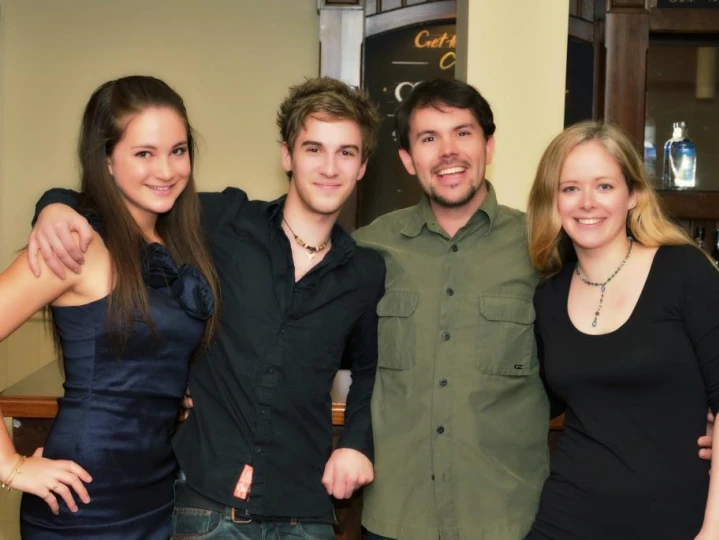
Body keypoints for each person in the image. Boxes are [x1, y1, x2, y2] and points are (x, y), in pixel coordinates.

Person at [27, 77, 385, 539]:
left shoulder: (366, 272)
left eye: (347, 152)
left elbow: (372, 370)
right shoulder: (220, 223)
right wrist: (53, 207)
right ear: (287, 156)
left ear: (363, 166)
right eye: (314, 148)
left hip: (304, 510)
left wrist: (356, 443)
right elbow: (117, 200)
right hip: (203, 507)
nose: (330, 167)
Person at [9, 75, 219, 539]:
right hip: (83, 503)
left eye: (178, 150)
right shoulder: (75, 245)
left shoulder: (179, 243)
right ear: (105, 158)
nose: (166, 170)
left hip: (158, 495)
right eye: (144, 153)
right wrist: (11, 466)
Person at [524, 121, 719, 539]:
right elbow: (548, 402)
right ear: (552, 201)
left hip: (673, 519)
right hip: (567, 518)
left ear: (633, 195)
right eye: (570, 188)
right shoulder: (548, 297)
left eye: (605, 186)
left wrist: (718, 528)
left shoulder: (685, 272)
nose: (587, 202)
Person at [353, 79, 549, 540]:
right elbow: (305, 337)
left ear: (488, 145)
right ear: (407, 159)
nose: (448, 151)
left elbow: (605, 342)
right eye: (428, 138)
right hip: (396, 517)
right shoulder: (369, 249)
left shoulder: (543, 248)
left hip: (507, 517)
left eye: (462, 132)